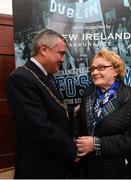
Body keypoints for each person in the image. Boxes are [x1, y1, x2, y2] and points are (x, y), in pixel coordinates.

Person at [7, 29, 77, 179]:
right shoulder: (21, 78)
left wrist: (73, 111)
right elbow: (38, 126)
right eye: (61, 53)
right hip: (38, 167)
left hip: (54, 161)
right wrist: (73, 149)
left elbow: (53, 110)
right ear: (44, 50)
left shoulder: (45, 75)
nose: (63, 59)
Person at [73, 49, 131, 179]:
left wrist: (97, 144)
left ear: (116, 71)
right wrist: (76, 145)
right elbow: (80, 123)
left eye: (101, 68)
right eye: (93, 68)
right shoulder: (88, 93)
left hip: (115, 168)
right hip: (87, 166)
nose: (95, 72)